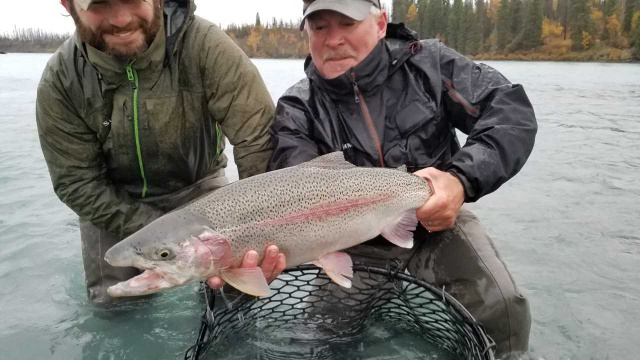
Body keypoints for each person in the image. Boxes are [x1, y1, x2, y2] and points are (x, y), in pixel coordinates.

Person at [267, 0, 537, 358]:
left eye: (347, 23)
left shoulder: (431, 64)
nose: (333, 40)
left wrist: (459, 181)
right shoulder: (297, 109)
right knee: (315, 343)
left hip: (437, 224)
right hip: (352, 242)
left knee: (502, 308)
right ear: (307, 34)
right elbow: (289, 192)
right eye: (319, 27)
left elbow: (509, 111)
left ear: (380, 24)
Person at [36, 0, 285, 303]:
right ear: (68, 3)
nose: (121, 19)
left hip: (202, 190)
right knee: (114, 307)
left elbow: (258, 139)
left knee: (234, 295)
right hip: (113, 202)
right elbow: (77, 183)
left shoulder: (205, 46)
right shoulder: (61, 79)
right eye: (99, 3)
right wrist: (159, 234)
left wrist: (260, 230)